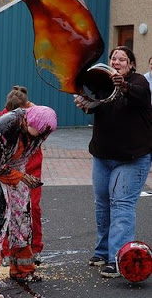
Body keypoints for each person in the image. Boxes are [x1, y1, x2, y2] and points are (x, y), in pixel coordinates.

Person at [74, 46, 152, 278]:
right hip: (103, 155)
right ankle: (102, 251)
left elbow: (139, 96)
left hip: (132, 158)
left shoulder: (139, 83)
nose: (117, 61)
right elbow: (94, 103)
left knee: (122, 205)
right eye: (113, 58)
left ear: (131, 65)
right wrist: (84, 104)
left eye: (122, 59)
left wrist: (123, 85)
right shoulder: (102, 81)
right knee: (103, 203)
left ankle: (118, 259)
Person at [0, 106, 57, 298]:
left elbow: (23, 155)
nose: (42, 136)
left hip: (14, 171)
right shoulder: (4, 127)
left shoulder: (38, 130)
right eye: (41, 131)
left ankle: (22, 270)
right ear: (29, 123)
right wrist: (22, 177)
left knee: (22, 221)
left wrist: (22, 178)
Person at [0, 86, 44, 265]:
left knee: (33, 209)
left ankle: (35, 248)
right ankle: (7, 250)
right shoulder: (3, 121)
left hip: (31, 167)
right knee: (7, 209)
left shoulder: (35, 116)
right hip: (10, 170)